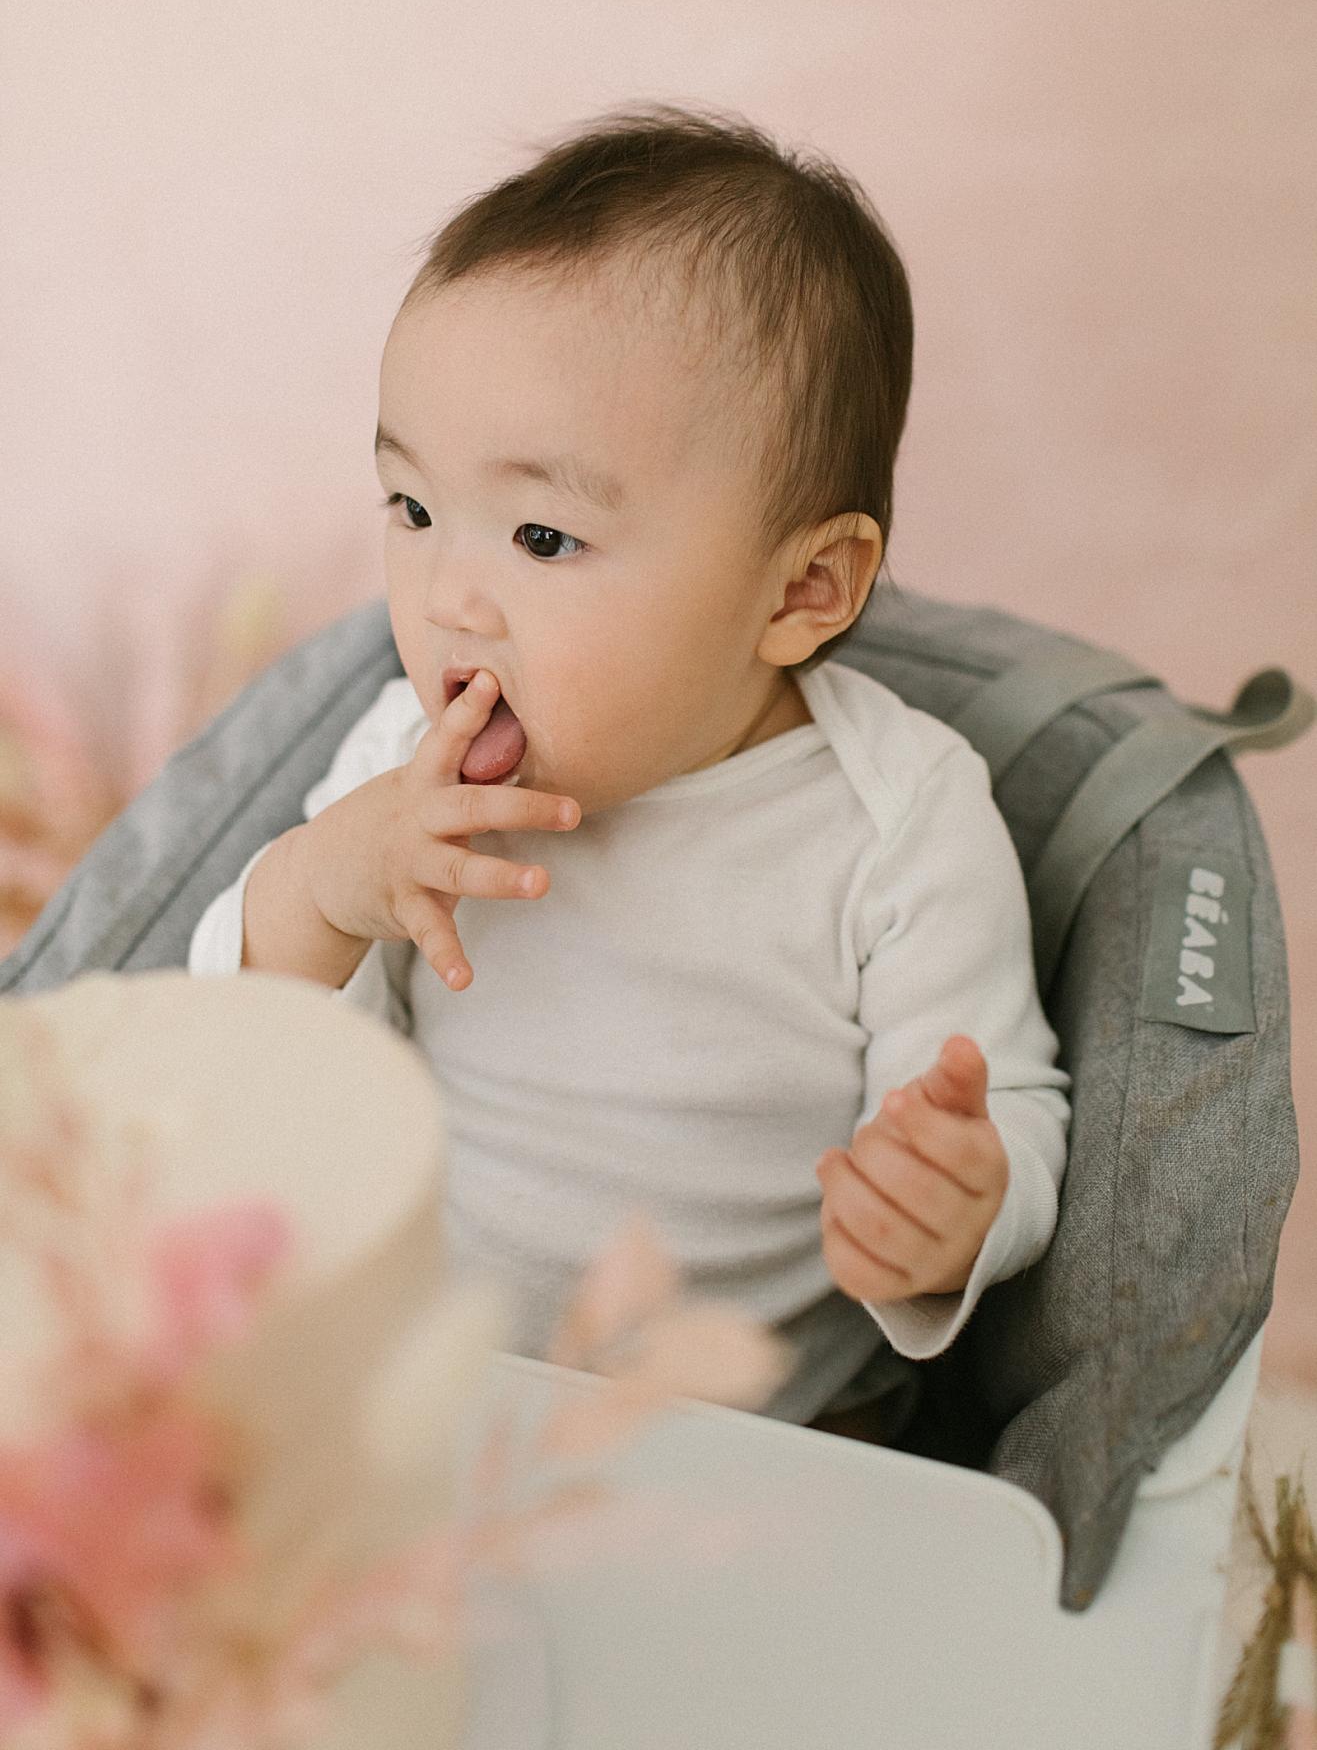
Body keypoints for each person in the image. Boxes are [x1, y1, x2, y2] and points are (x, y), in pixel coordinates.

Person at [189, 110, 1069, 1426]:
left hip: (737, 1452)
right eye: (414, 510)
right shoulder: (401, 769)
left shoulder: (896, 822)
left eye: (542, 536)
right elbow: (265, 1057)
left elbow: (999, 1094)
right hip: (404, 1390)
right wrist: (327, 888)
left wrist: (957, 1202)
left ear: (800, 591)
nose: (448, 599)